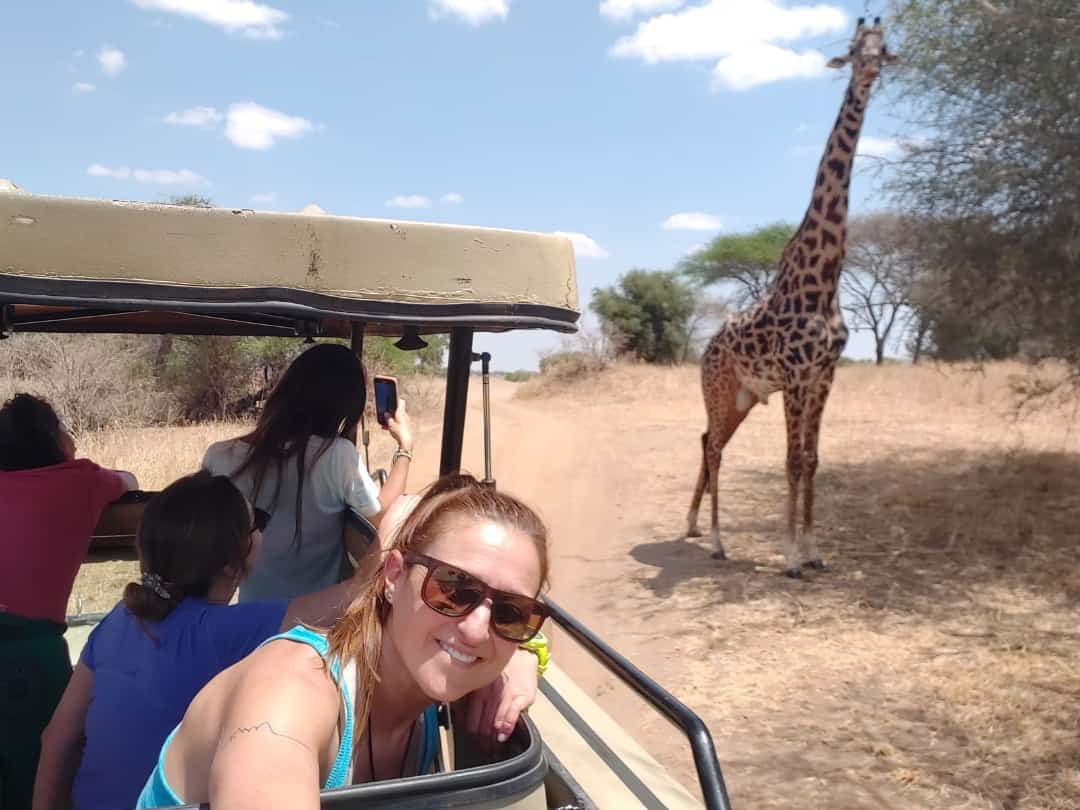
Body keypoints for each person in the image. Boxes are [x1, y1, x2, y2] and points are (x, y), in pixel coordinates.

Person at [33, 472, 541, 810]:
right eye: (452, 589)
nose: (477, 626)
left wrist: (515, 658)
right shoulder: (282, 683)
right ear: (392, 575)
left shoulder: (120, 620)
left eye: (513, 613)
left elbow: (57, 736)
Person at [0, 393, 138, 810]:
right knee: (42, 765)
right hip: (28, 646)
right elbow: (129, 482)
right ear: (53, 440)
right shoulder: (81, 479)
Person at [202, 343, 416, 602]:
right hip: (314, 619)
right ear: (347, 406)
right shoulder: (336, 455)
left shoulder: (220, 455)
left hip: (250, 613)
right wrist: (405, 446)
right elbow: (382, 515)